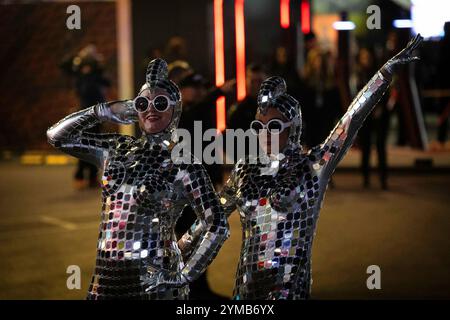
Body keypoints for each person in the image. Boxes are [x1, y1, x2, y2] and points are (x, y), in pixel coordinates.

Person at [180, 35, 422, 299]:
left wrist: (384, 74)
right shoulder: (244, 169)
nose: (263, 133)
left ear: (292, 128)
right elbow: (211, 217)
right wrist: (174, 250)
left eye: (273, 126)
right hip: (246, 288)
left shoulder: (312, 168)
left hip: (289, 289)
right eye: (258, 127)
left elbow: (350, 121)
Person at [47, 58, 229, 299]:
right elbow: (56, 137)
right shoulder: (116, 149)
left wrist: (183, 274)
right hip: (106, 278)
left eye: (161, 103)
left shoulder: (184, 163)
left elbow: (217, 225)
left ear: (175, 110)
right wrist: (104, 111)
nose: (151, 109)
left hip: (155, 284)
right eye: (143, 102)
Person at [60, 44, 111, 189]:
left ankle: (92, 176)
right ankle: (80, 175)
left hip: (97, 113)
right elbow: (65, 66)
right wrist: (81, 65)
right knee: (85, 145)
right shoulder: (81, 77)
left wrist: (95, 70)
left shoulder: (96, 75)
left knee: (94, 146)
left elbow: (106, 82)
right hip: (85, 114)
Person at [355, 47, 391, 189]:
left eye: (367, 57)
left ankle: (383, 178)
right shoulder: (358, 75)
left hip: (380, 114)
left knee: (380, 146)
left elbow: (385, 91)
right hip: (366, 115)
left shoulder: (380, 73)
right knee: (366, 147)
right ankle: (366, 178)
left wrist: (380, 108)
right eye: (363, 57)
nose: (365, 60)